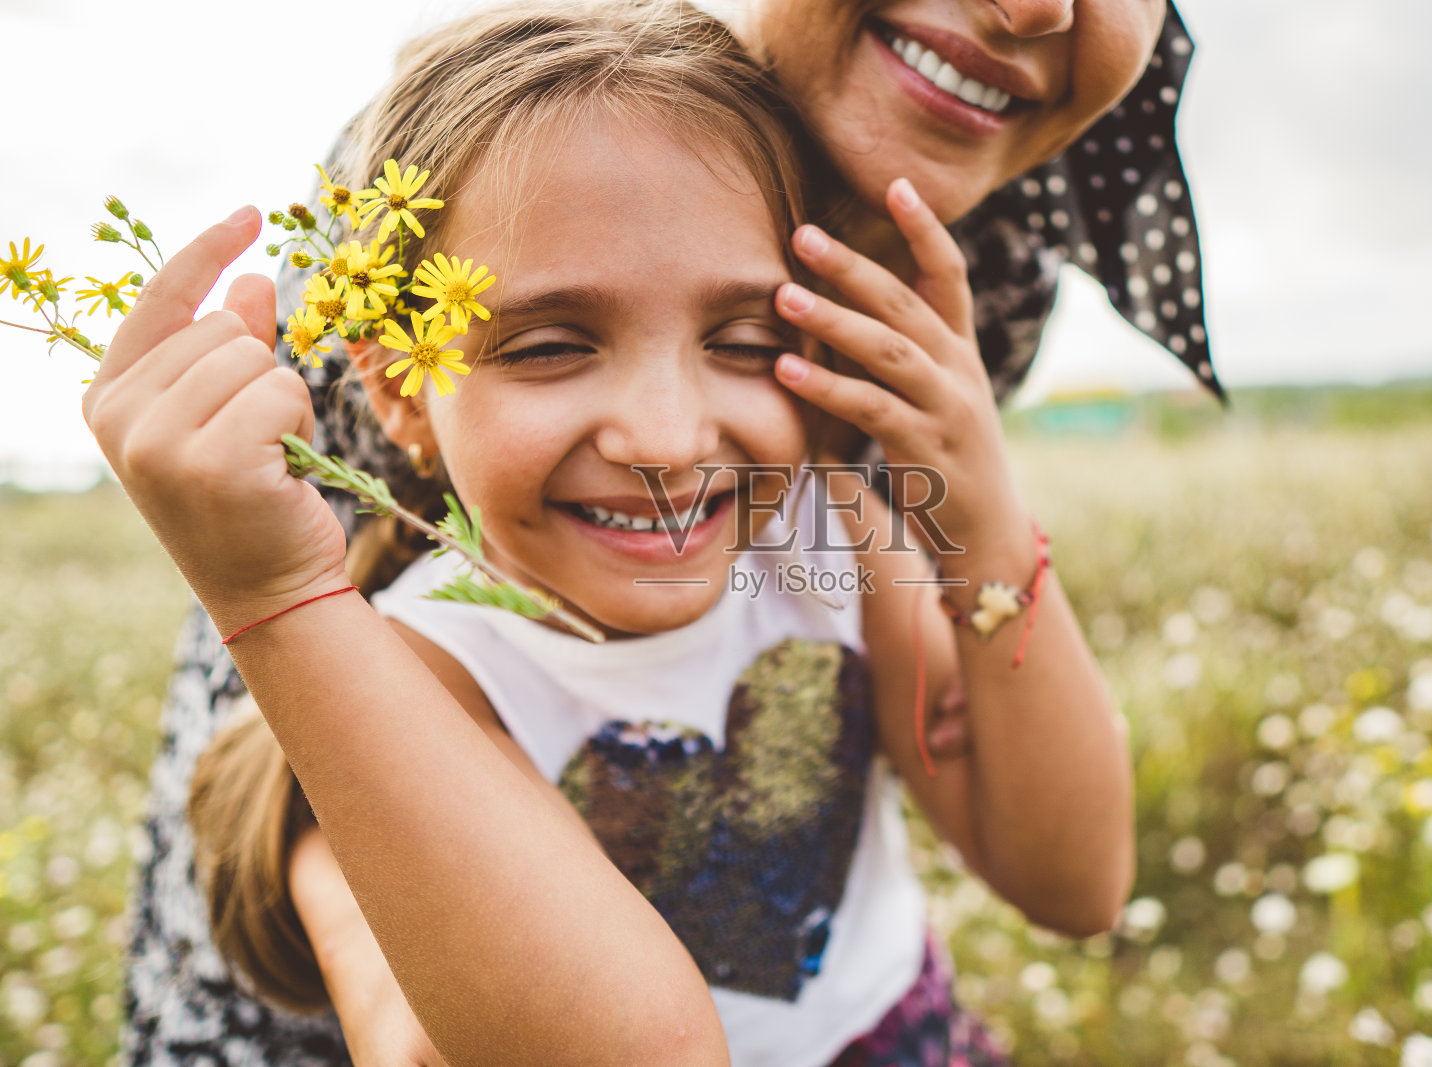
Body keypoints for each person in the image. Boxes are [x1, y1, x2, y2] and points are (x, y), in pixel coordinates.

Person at [121, 0, 1212, 1062]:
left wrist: (981, 509)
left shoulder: (832, 537)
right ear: (401, 387)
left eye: (741, 339)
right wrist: (277, 603)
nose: (667, 435)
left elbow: (1075, 880)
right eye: (549, 345)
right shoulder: (401, 692)